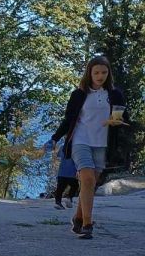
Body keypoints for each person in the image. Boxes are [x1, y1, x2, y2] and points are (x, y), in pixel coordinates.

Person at [44, 55, 131, 239]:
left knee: (89, 184)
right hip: (80, 140)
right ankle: (88, 224)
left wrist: (117, 121)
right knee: (87, 178)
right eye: (96, 72)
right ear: (89, 73)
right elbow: (68, 120)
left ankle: (78, 218)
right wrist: (55, 138)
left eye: (104, 72)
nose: (100, 76)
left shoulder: (115, 94)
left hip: (103, 144)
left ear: (108, 73)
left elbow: (124, 117)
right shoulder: (79, 94)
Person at [54, 141, 78, 210]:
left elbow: (58, 155)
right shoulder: (77, 147)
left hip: (61, 172)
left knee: (60, 188)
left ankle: (58, 202)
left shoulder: (63, 147)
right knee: (75, 185)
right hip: (71, 172)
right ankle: (69, 198)